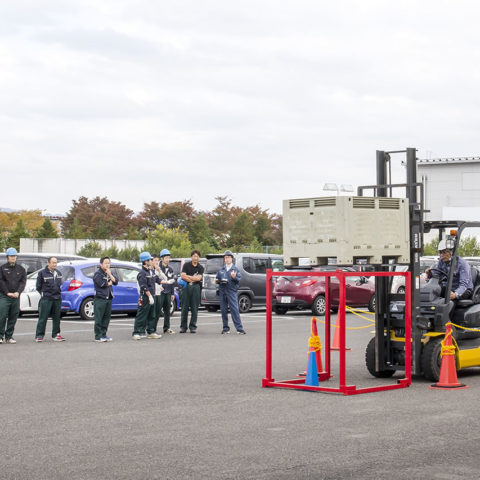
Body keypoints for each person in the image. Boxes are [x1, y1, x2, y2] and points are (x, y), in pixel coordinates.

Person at [35, 256, 66, 342]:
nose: (54, 264)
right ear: (48, 263)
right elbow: (38, 286)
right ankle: (39, 335)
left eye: (56, 262)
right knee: (43, 317)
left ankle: (56, 334)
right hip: (46, 298)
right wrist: (43, 294)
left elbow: (60, 284)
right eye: (53, 262)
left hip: (57, 298)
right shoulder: (42, 273)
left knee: (57, 318)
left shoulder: (59, 273)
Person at [133, 252, 162, 340]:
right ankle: (136, 332)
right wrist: (149, 296)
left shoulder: (151, 271)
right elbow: (144, 286)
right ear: (145, 261)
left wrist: (167, 282)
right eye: (149, 260)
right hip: (145, 296)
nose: (151, 261)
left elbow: (157, 280)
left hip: (152, 296)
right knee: (142, 314)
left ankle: (151, 331)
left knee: (152, 315)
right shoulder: (142, 273)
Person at [0, 248, 26, 344]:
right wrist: (7, 292)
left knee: (13, 317)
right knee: (2, 316)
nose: (13, 258)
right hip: (4, 296)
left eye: (14, 256)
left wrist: (18, 292)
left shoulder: (21, 269)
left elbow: (23, 283)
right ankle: (0, 336)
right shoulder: (2, 268)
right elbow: (1, 282)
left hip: (16, 297)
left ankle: (9, 336)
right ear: (7, 257)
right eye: (11, 256)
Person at [216, 250, 246, 335]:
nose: (227, 259)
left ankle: (239, 329)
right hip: (222, 291)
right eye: (225, 257)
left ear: (232, 259)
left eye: (229, 257)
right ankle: (225, 328)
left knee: (234, 310)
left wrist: (234, 277)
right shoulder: (221, 269)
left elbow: (239, 280)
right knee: (223, 310)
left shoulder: (235, 269)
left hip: (231, 291)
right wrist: (217, 281)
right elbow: (217, 278)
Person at [93, 256, 118, 342]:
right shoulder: (98, 274)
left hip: (109, 298)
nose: (107, 265)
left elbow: (115, 282)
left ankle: (104, 334)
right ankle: (98, 336)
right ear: (101, 264)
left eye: (108, 263)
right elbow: (102, 284)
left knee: (106, 318)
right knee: (99, 318)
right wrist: (109, 283)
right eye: (105, 263)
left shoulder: (109, 272)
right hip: (100, 298)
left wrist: (110, 274)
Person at [180, 250, 204, 333]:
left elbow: (198, 278)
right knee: (184, 307)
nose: (195, 258)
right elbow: (182, 276)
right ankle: (183, 327)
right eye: (194, 256)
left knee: (194, 308)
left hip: (196, 287)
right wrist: (192, 278)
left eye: (197, 256)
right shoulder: (186, 265)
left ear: (199, 258)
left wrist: (189, 277)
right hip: (186, 287)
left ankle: (193, 326)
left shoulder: (200, 267)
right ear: (191, 257)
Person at [159, 249, 176, 334]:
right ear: (162, 258)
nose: (167, 259)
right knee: (157, 310)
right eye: (166, 257)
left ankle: (166, 328)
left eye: (168, 257)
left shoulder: (170, 269)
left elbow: (172, 282)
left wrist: (172, 293)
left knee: (167, 311)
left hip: (168, 292)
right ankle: (152, 329)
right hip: (160, 292)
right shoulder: (158, 268)